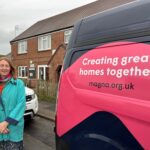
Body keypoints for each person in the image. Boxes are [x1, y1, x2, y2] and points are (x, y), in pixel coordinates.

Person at [0, 57, 25, 150]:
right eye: (1, 65)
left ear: (10, 68)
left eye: (7, 66)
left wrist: (5, 123)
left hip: (13, 129)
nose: (4, 68)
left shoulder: (19, 84)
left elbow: (21, 104)